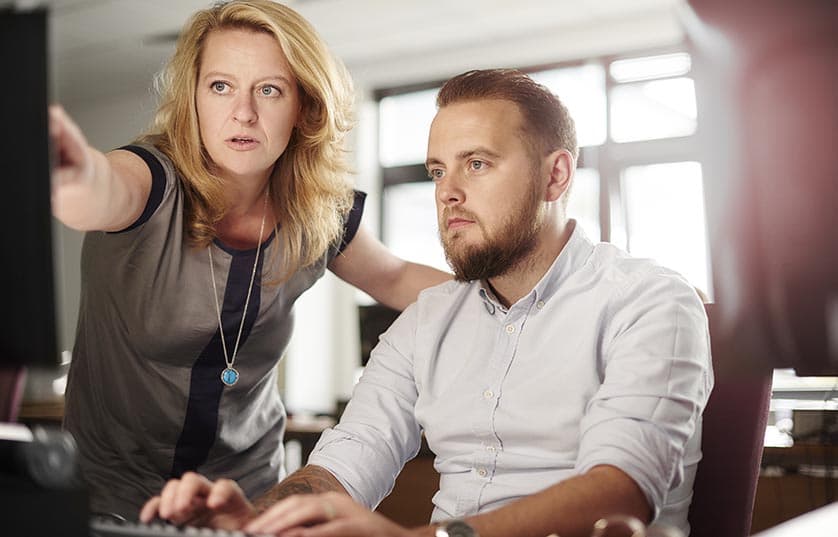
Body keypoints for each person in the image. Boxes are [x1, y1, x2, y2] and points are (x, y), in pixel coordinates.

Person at [139, 69, 714, 537]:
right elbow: (343, 464)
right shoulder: (427, 320)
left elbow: (620, 492)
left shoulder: (649, 300)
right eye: (438, 170)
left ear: (555, 176)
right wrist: (255, 521)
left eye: (478, 164)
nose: (448, 192)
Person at [50, 0, 450, 520]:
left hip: (248, 497)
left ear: (304, 107)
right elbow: (97, 189)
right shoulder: (149, 180)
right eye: (221, 87)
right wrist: (71, 172)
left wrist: (517, 297)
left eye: (269, 89)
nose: (243, 112)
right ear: (192, 99)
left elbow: (394, 277)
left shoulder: (317, 212)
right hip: (111, 498)